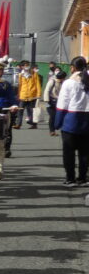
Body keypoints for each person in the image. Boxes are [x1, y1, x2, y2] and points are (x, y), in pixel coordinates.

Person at [53, 56, 89, 186]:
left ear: (72, 68)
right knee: (85, 152)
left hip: (71, 120)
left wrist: (57, 123)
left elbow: (63, 104)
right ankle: (83, 177)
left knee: (69, 152)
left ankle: (70, 178)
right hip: (87, 120)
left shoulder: (69, 82)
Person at [15, 61, 42, 128]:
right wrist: (18, 95)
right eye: (25, 65)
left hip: (32, 95)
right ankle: (18, 124)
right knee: (20, 110)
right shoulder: (20, 75)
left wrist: (38, 94)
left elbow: (37, 84)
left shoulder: (34, 74)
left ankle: (34, 124)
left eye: (28, 65)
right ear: (22, 67)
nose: (27, 66)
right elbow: (20, 85)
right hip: (23, 95)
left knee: (31, 111)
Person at [45, 63, 67, 136]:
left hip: (59, 101)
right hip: (51, 101)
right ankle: (52, 131)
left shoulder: (64, 83)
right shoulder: (52, 81)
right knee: (52, 116)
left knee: (59, 115)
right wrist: (47, 100)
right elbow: (47, 90)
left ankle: (59, 128)